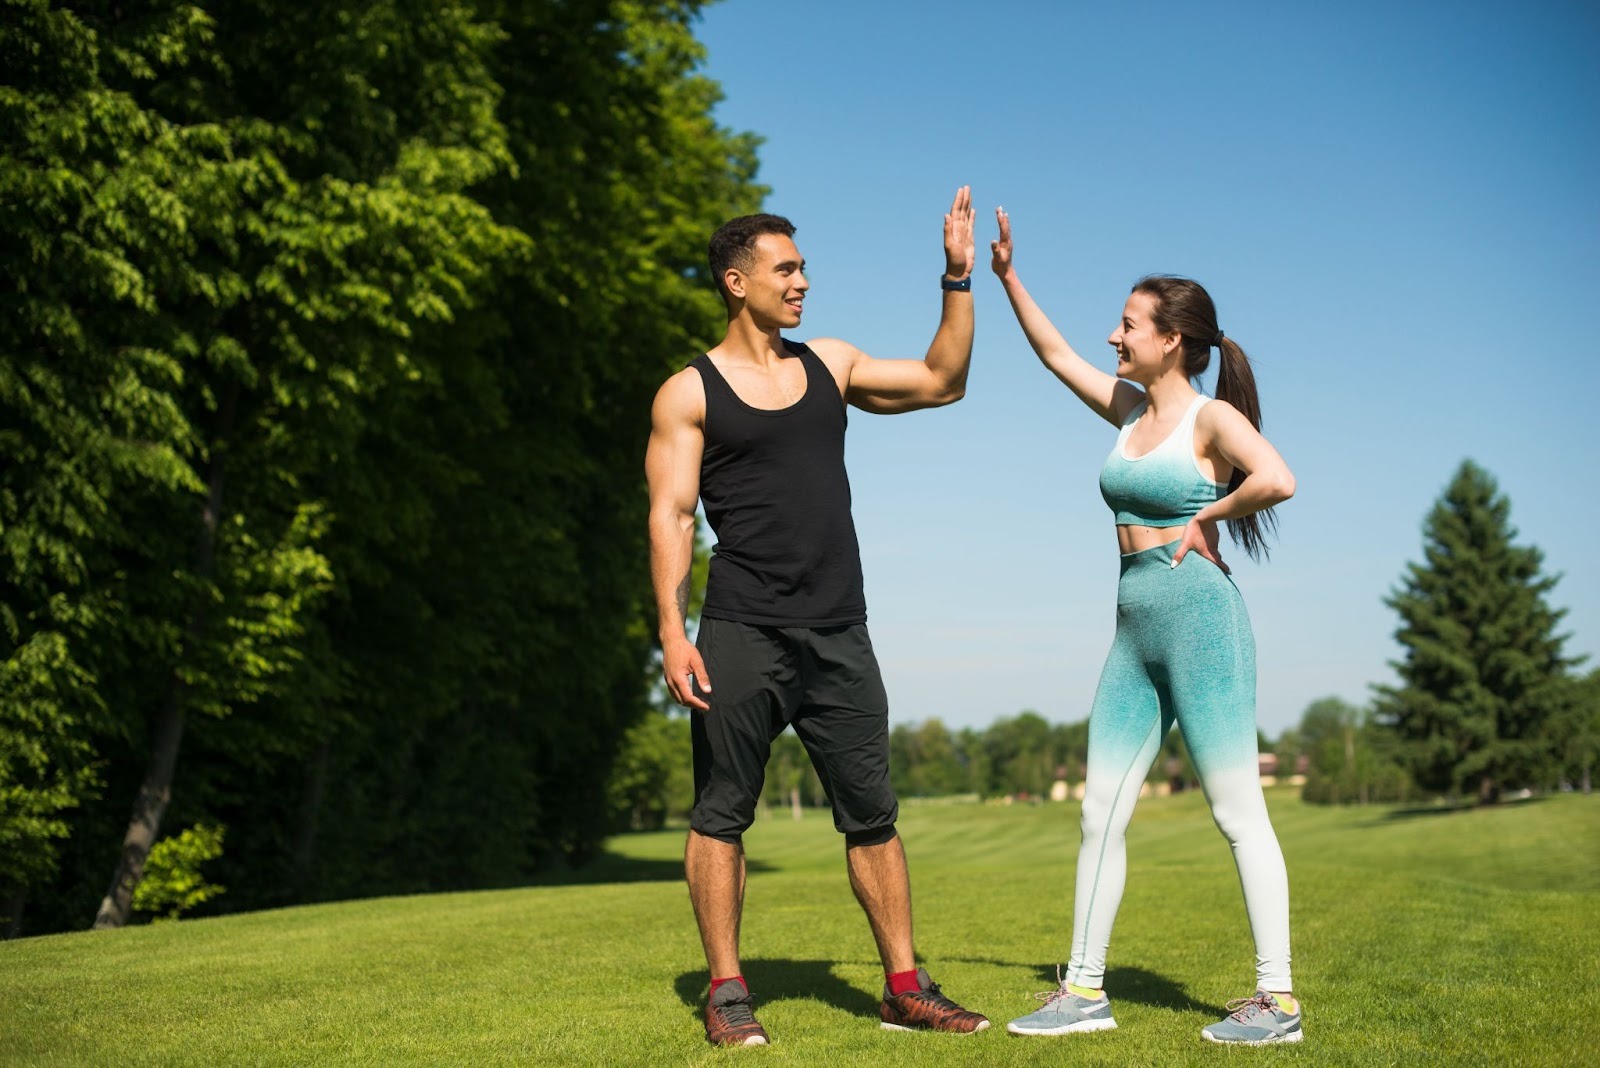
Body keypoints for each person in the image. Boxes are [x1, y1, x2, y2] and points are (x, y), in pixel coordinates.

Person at [645, 188, 990, 1047]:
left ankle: (904, 987)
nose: (803, 281)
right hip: (740, 631)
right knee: (722, 811)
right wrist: (671, 629)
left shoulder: (829, 365)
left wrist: (956, 277)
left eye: (803, 267)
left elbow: (944, 381)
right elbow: (671, 516)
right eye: (786, 268)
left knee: (872, 813)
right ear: (736, 281)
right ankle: (727, 992)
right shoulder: (688, 393)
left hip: (840, 629)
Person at [988, 208, 1303, 1046]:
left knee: (1237, 812)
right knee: (1099, 811)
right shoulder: (1130, 414)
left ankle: (1278, 1003)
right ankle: (1084, 990)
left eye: (1127, 324)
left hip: (1201, 620)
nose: (1112, 335)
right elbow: (1056, 355)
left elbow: (1278, 479)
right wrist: (1008, 277)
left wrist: (1211, 519)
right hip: (1133, 629)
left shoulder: (1209, 421)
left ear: (1171, 340)